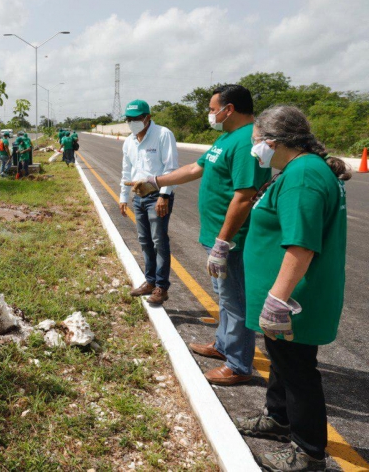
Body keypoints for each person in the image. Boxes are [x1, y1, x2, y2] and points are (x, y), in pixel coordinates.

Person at [128, 84, 271, 385]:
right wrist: (156, 181)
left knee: (235, 300)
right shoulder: (226, 138)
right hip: (216, 234)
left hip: (231, 238)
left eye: (211, 108)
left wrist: (222, 242)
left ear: (228, 109)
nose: (209, 114)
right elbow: (195, 167)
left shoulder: (247, 141)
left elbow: (244, 196)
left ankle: (238, 364)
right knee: (224, 296)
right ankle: (223, 346)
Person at [234, 106, 350, 472]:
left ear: (272, 141)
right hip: (290, 295)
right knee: (282, 361)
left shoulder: (303, 177)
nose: (255, 148)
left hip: (296, 297)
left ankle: (308, 451)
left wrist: (276, 299)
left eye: (256, 142)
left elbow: (301, 245)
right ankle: (278, 417)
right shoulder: (299, 170)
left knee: (298, 370)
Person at [119, 99, 179, 305]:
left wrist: (164, 195)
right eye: (129, 119)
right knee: (144, 241)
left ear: (148, 117)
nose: (132, 122)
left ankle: (161, 287)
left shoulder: (163, 135)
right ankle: (150, 281)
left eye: (136, 118)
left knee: (159, 241)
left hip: (157, 196)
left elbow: (171, 168)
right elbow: (126, 171)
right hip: (139, 196)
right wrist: (123, 197)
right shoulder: (129, 141)